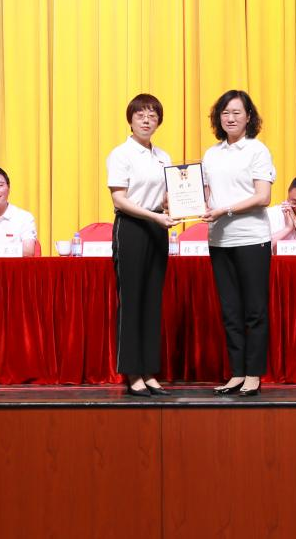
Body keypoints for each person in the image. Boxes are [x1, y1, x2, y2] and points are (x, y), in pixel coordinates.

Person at [202, 90, 276, 397]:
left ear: (248, 117)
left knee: (254, 311)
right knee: (230, 311)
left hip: (251, 239)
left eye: (236, 112)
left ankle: (253, 374)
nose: (230, 118)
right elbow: (206, 195)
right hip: (219, 240)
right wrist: (183, 203)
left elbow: (263, 197)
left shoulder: (257, 150)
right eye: (225, 113)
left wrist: (225, 210)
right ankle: (236, 373)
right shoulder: (211, 154)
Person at [106, 94, 179, 397]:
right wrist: (154, 216)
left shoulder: (163, 157)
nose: (147, 120)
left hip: (157, 228)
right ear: (131, 120)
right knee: (132, 300)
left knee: (152, 301)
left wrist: (173, 205)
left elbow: (168, 194)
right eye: (140, 115)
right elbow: (119, 199)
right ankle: (132, 372)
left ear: (159, 121)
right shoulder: (121, 154)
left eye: (152, 116)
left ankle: (149, 371)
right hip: (132, 228)